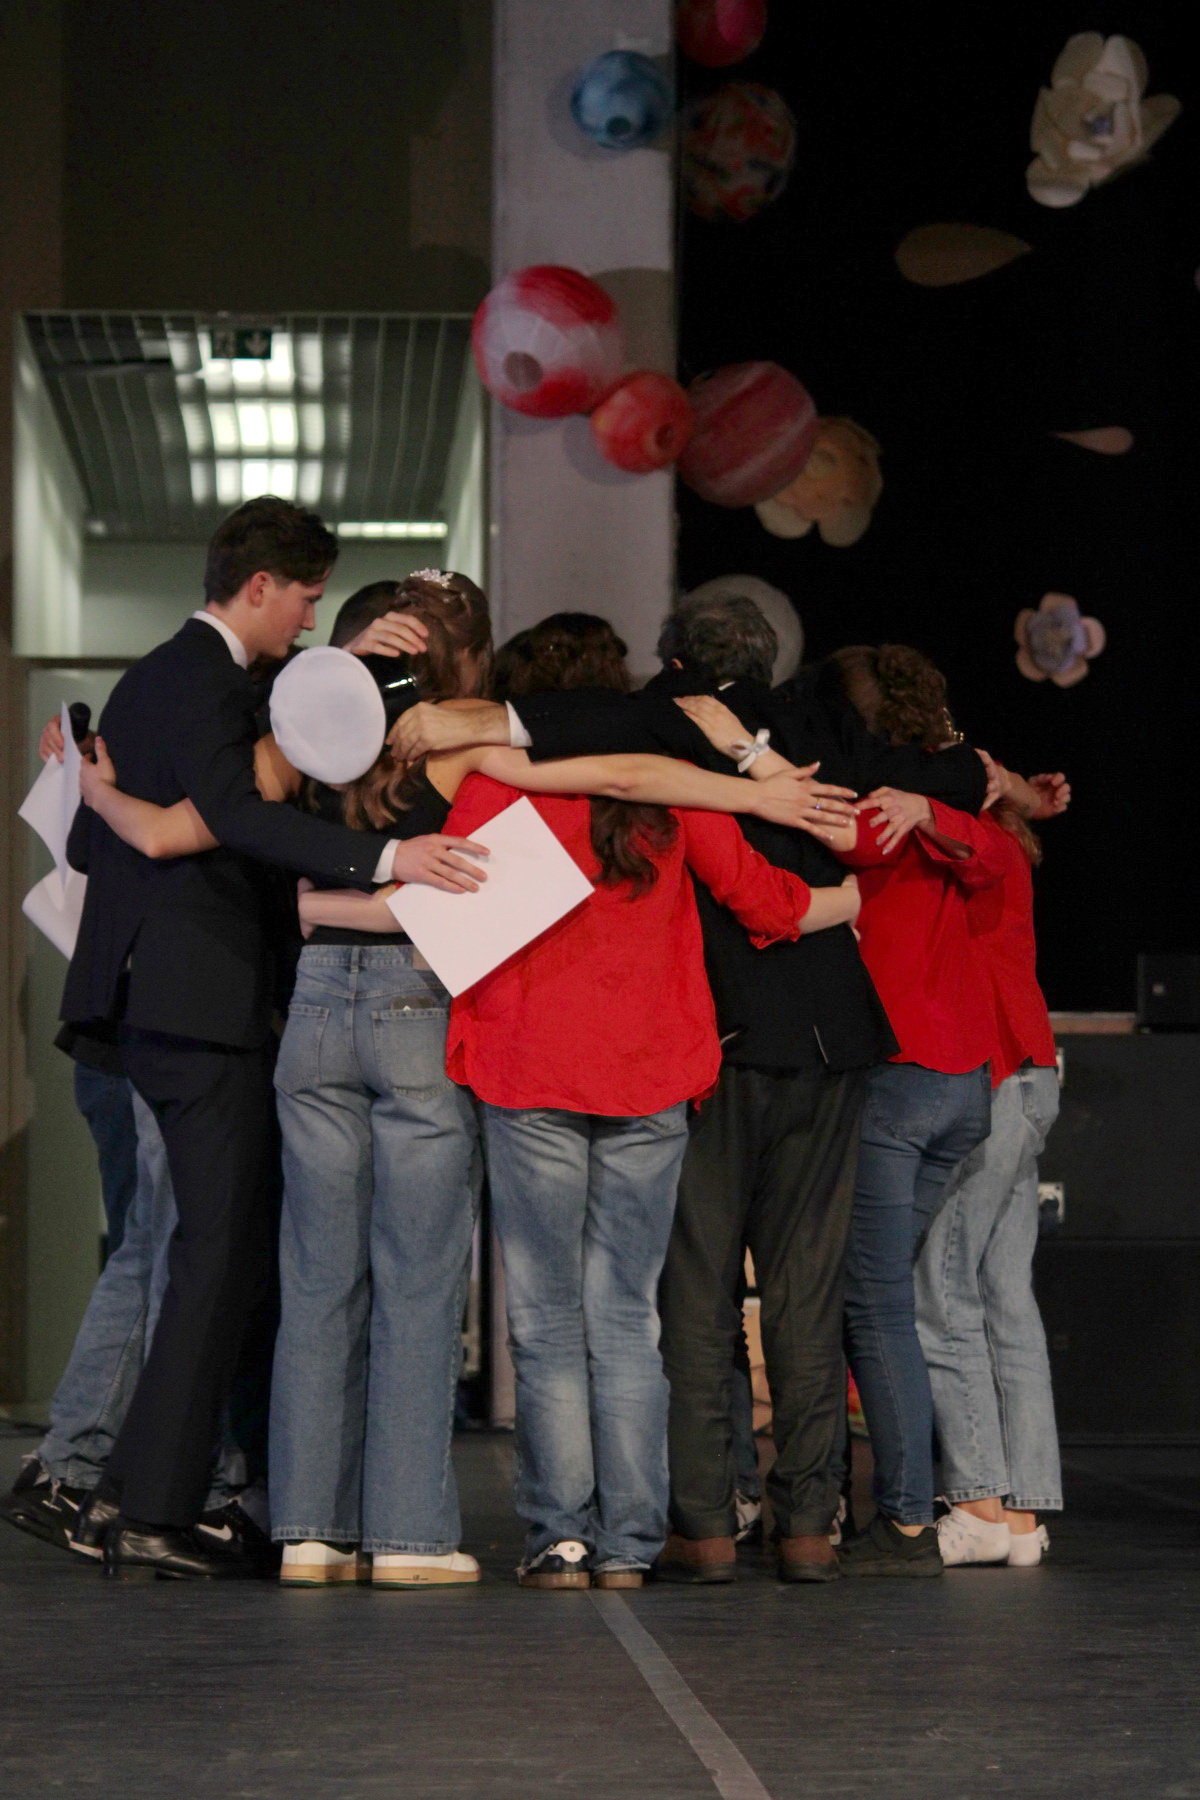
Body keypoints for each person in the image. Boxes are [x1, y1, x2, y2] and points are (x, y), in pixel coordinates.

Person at [81, 585, 837, 1587]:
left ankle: (328, 1535)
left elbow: (184, 830)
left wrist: (104, 798)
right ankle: (449, 1540)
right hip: (492, 1029)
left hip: (362, 1026)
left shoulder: (305, 742)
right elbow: (637, 784)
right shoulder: (480, 754)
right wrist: (763, 800)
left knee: (329, 1288)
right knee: (463, 1292)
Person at [395, 592, 990, 1584]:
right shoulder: (677, 791)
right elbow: (764, 898)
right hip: (658, 1071)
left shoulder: (497, 782)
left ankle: (576, 1535)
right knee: (635, 1315)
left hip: (533, 1066)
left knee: (553, 1321)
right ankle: (649, 1538)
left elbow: (441, 891)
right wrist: (846, 893)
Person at [54, 499, 490, 1582]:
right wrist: (390, 861)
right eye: (305, 598)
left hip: (178, 1005)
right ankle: (149, 1508)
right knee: (217, 1259)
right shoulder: (199, 681)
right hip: (196, 1007)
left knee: (219, 1257)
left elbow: (136, 826)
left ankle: (127, 1497)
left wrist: (347, 661)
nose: (306, 618)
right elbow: (238, 812)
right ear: (261, 586)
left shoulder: (177, 679)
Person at [679, 646, 1006, 1577]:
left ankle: (858, 1518)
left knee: (795, 1300)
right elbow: (984, 826)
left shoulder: (849, 800)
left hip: (843, 1064)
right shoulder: (945, 804)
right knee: (909, 1298)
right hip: (945, 1069)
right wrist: (946, 802)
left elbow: (805, 853)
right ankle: (919, 1512)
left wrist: (751, 759)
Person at [915, 774, 1070, 1567]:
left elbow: (961, 828)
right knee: (1006, 1294)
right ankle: (1019, 1518)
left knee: (944, 1287)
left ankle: (979, 1499)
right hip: (1030, 1071)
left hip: (998, 1073)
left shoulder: (979, 839)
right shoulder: (1003, 835)